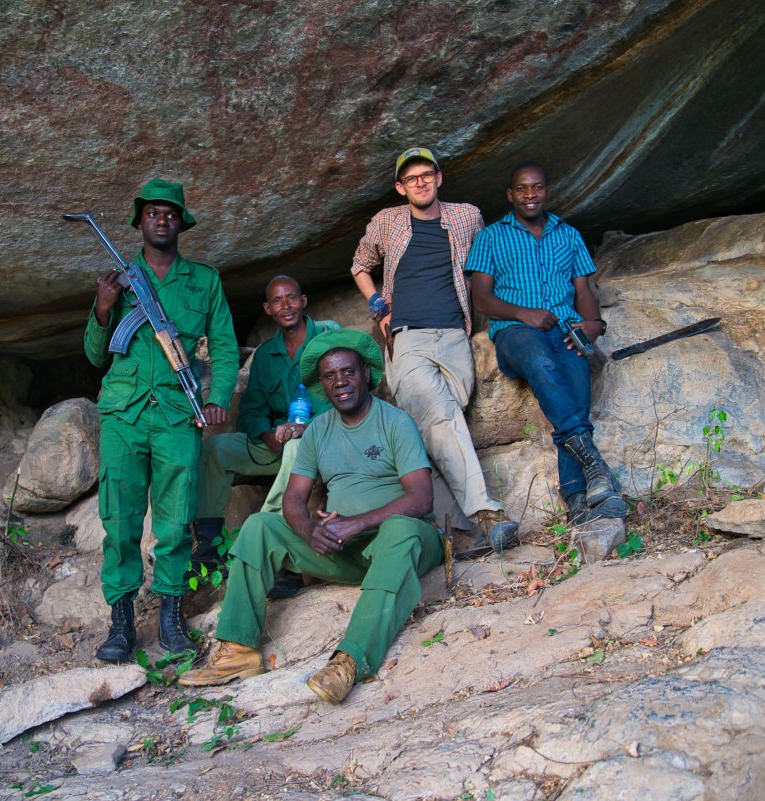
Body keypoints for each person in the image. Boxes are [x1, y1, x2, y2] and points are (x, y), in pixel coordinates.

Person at [178, 329, 442, 704]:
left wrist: (358, 521)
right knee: (258, 526)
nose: (340, 382)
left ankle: (348, 661)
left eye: (348, 372)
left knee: (401, 529)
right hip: (345, 550)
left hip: (400, 542)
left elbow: (421, 498)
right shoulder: (318, 430)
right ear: (321, 385)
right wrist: (309, 530)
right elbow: (294, 499)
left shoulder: (394, 422)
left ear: (366, 374)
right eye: (330, 376)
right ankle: (238, 650)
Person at [84, 178, 239, 662]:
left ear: (181, 223)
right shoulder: (119, 276)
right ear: (140, 221)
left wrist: (215, 398)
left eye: (170, 213)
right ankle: (121, 621)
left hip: (176, 414)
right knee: (121, 520)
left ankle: (171, 618)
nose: (162, 219)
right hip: (124, 414)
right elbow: (93, 355)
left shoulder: (204, 281)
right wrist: (104, 308)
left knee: (175, 522)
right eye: (153, 212)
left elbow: (226, 347)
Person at [350, 146, 517, 558]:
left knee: (436, 422)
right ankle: (487, 515)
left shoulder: (466, 216)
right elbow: (359, 264)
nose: (420, 182)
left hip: (455, 336)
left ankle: (456, 533)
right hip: (407, 338)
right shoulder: (387, 221)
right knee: (440, 415)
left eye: (426, 174)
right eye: (411, 178)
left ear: (439, 178)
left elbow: (489, 263)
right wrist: (377, 305)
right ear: (400, 186)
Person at [466, 161, 627, 524]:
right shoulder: (491, 236)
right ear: (510, 195)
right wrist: (526, 314)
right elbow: (482, 297)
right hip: (515, 333)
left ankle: (580, 500)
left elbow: (583, 288)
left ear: (547, 191)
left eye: (536, 187)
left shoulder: (568, 234)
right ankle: (597, 466)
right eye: (522, 188)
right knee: (540, 362)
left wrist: (593, 325)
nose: (529, 195)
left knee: (576, 393)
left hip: (566, 329)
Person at [194, 274, 339, 598]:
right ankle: (209, 546)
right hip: (279, 442)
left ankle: (273, 553)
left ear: (303, 301)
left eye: (291, 298)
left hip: (324, 440)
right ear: (267, 309)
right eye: (277, 300)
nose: (285, 305)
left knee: (295, 448)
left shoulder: (329, 335)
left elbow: (349, 394)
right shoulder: (265, 355)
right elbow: (250, 411)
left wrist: (305, 427)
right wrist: (267, 434)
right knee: (215, 448)